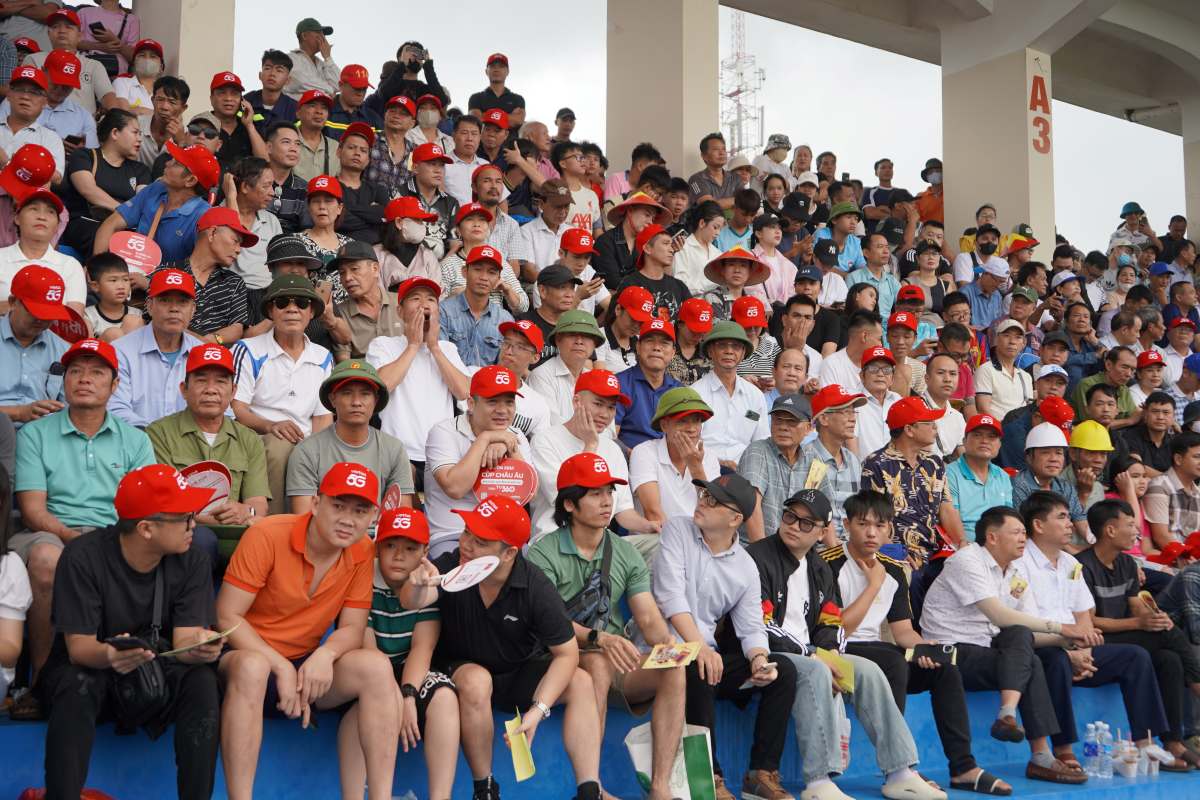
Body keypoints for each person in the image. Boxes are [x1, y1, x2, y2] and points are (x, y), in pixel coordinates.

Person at [401, 495, 606, 800]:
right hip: (461, 669)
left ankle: (589, 791)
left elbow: (567, 653)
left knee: (581, 680)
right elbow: (412, 601)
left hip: (516, 671)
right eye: (467, 532)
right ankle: (484, 788)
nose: (467, 544)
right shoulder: (453, 565)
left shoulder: (536, 587)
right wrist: (417, 584)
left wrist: (539, 709)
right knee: (475, 678)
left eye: (481, 541)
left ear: (509, 552)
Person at [37, 464, 222, 800]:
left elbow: (183, 640)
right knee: (79, 681)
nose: (194, 525)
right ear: (146, 528)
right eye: (184, 517)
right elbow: (79, 648)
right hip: (90, 669)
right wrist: (109, 655)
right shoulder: (83, 556)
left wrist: (200, 646)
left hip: (154, 672)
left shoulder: (192, 559)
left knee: (202, 681)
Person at [217, 462, 400, 800]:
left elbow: (352, 628)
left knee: (376, 666)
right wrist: (280, 665)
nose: (348, 519)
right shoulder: (268, 534)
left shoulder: (362, 550)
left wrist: (325, 654)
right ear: (316, 504)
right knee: (253, 667)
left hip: (305, 666)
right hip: (247, 657)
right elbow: (227, 617)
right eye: (338, 506)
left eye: (360, 511)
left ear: (373, 516)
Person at [824, 489, 1009, 795]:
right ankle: (898, 769)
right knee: (893, 660)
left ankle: (963, 766)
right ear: (847, 524)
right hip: (837, 651)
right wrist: (873, 585)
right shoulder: (827, 563)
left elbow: (903, 633)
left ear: (890, 529)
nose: (871, 532)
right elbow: (837, 629)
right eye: (862, 524)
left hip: (878, 652)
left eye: (880, 525)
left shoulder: (894, 569)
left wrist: (924, 649)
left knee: (944, 669)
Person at [528, 453, 687, 800]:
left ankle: (660, 786)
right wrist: (599, 638)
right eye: (595, 493)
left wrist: (677, 647)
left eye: (609, 492)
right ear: (569, 504)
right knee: (597, 662)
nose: (606, 501)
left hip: (618, 660)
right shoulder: (544, 552)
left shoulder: (626, 553)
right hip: (558, 660)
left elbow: (647, 618)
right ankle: (594, 786)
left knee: (675, 664)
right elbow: (548, 622)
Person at [13, 337, 155, 685]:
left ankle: (122, 673)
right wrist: (74, 538)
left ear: (115, 384)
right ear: (64, 381)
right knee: (47, 559)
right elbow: (33, 510)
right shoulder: (35, 433)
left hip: (113, 532)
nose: (84, 379)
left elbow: (144, 509)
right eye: (75, 371)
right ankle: (42, 678)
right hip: (51, 531)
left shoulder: (135, 439)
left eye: (96, 373)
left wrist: (104, 540)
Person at [1017, 491, 1191, 770]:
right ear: (1038, 525)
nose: (1070, 524)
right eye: (1061, 517)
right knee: (1057, 660)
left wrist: (1084, 649)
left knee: (1135, 656)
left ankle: (1145, 744)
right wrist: (1071, 650)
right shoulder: (1020, 562)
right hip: (1043, 645)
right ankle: (1063, 748)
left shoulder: (1070, 563)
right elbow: (1020, 621)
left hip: (1076, 645)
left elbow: (1083, 613)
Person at [919, 506, 1091, 785]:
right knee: (1029, 656)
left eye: (1025, 533)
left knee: (1022, 641)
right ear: (992, 537)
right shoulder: (967, 560)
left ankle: (1009, 717)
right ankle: (1037, 753)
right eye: (1016, 533)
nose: (1023, 538)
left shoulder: (1014, 573)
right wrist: (1062, 628)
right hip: (951, 650)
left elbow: (1029, 629)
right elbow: (1000, 616)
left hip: (988, 651)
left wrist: (1070, 640)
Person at [652, 474, 797, 800]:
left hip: (704, 654)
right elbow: (668, 597)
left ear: (735, 519)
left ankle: (761, 774)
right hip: (660, 649)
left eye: (714, 500)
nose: (703, 501)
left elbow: (751, 626)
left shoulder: (745, 564)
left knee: (783, 671)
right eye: (704, 494)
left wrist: (760, 660)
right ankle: (707, 777)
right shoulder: (677, 529)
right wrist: (699, 648)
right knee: (697, 664)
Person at [1077, 498, 1200, 765]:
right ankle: (1198, 684)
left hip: (1125, 635)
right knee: (1167, 638)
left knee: (1170, 658)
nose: (1137, 531)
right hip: (1095, 640)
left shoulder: (1127, 564)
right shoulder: (1081, 567)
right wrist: (1140, 625)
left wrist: (1155, 618)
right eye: (1131, 525)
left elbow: (1135, 607)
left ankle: (1172, 741)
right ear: (1110, 530)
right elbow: (1089, 622)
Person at [231, 274, 333, 514]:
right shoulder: (247, 349)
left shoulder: (322, 356)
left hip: (307, 439)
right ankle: (272, 527)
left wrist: (315, 448)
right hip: (258, 437)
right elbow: (236, 408)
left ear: (311, 313)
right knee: (279, 448)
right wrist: (270, 426)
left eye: (301, 303)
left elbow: (322, 417)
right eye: (282, 303)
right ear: (270, 311)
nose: (292, 309)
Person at [145, 341, 268, 532]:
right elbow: (163, 501)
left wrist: (246, 511)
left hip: (235, 535)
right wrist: (207, 518)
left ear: (233, 391)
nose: (211, 389)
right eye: (201, 380)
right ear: (184, 389)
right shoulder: (159, 433)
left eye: (220, 381)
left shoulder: (249, 439)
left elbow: (258, 502)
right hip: (181, 534)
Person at [529, 369, 657, 542]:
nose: (605, 414)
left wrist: (649, 526)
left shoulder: (612, 449)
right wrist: (590, 445)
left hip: (601, 542)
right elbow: (568, 502)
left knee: (661, 542)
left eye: (611, 407)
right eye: (598, 404)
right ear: (577, 402)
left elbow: (622, 511)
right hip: (555, 538)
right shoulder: (545, 440)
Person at [366, 276, 468, 488]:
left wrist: (435, 348)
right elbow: (380, 387)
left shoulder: (447, 349)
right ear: (400, 312)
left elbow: (465, 392)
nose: (424, 304)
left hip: (443, 454)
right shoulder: (383, 345)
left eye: (430, 299)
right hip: (399, 453)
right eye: (415, 298)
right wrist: (413, 345)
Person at [424, 364, 532, 556]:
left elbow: (529, 493)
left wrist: (510, 447)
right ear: (471, 404)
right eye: (493, 402)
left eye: (509, 402)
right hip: (452, 536)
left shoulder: (516, 436)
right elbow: (455, 488)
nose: (502, 410)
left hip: (501, 539)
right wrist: (485, 439)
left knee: (529, 567)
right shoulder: (443, 431)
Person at [286, 359, 411, 514]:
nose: (356, 402)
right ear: (333, 399)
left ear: (376, 400)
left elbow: (401, 515)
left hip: (378, 537)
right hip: (325, 535)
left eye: (365, 394)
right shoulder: (307, 451)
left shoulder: (394, 448)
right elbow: (304, 518)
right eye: (347, 393)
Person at [862, 396, 963, 564]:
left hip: (936, 552)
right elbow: (872, 517)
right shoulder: (876, 464)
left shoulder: (934, 462)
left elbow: (947, 509)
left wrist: (962, 544)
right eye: (928, 422)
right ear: (909, 430)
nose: (935, 427)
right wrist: (893, 551)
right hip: (896, 554)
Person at [95, 140, 217, 264]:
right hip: (130, 271)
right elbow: (111, 224)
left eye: (175, 163)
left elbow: (198, 267)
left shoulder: (204, 216)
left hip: (168, 280)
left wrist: (147, 281)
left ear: (190, 180)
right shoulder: (157, 188)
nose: (167, 163)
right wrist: (97, 269)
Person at [107, 268, 200, 427]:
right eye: (165, 300)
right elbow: (116, 409)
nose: (174, 308)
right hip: (136, 444)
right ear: (149, 306)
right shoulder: (120, 351)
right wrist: (160, 439)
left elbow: (221, 412)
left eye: (183, 302)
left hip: (192, 447)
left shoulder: (202, 353)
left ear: (193, 310)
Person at [60, 106, 148, 253]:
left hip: (123, 228)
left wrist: (122, 217)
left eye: (140, 134)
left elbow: (142, 202)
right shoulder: (85, 156)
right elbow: (89, 190)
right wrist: (124, 212)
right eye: (135, 132)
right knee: (108, 237)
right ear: (114, 133)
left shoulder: (140, 169)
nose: (140, 139)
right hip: (87, 223)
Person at [628, 387, 718, 525]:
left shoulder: (710, 456)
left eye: (697, 421)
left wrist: (696, 469)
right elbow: (653, 514)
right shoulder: (643, 452)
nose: (692, 429)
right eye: (682, 421)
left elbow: (713, 511)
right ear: (664, 426)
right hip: (658, 539)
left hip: (701, 538)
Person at [692, 320, 770, 470]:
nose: (729, 351)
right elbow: (690, 443)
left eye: (735, 346)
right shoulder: (695, 393)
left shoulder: (755, 395)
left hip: (746, 472)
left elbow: (761, 443)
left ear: (743, 354)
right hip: (704, 469)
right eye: (722, 345)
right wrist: (717, 463)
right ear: (710, 351)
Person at [0, 265, 71, 427]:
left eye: (49, 315)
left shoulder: (62, 349)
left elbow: (69, 408)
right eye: (35, 312)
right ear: (13, 302)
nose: (41, 320)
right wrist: (18, 413)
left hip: (43, 435)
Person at [0, 187, 84, 318]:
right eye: (33, 209)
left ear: (57, 225)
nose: (41, 217)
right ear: (17, 218)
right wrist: (49, 308)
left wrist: (12, 306)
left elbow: (73, 318)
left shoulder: (70, 265)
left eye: (50, 212)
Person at [739, 394, 813, 541]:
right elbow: (752, 506)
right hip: (756, 548)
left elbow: (821, 509)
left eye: (792, 422)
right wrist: (764, 555)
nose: (783, 427)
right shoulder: (758, 451)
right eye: (778, 420)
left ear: (808, 428)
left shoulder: (814, 459)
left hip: (797, 550)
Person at [1011, 422, 1093, 550]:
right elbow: (1029, 532)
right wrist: (1073, 551)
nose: (1053, 459)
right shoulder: (1019, 485)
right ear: (1029, 457)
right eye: (1045, 452)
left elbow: (1080, 520)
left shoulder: (1065, 487)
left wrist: (1098, 543)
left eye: (1059, 453)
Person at [25, 8, 115, 114]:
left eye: (68, 27)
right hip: (42, 122)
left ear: (79, 36)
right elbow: (26, 94)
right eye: (55, 27)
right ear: (49, 34)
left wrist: (114, 114)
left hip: (83, 126)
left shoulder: (93, 65)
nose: (62, 31)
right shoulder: (33, 59)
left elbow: (108, 96)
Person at [326, 240, 403, 360]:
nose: (347, 278)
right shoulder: (340, 315)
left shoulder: (401, 303)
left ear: (375, 269)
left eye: (354, 269)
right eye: (342, 273)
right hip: (363, 377)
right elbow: (345, 365)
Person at [438, 244, 512, 368]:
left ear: (498, 278)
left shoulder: (505, 319)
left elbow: (505, 365)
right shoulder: (443, 311)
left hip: (489, 385)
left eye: (491, 272)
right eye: (478, 269)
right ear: (464, 272)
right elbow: (440, 358)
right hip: (449, 383)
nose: (484, 277)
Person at [527, 310, 606, 422]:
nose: (579, 341)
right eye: (572, 334)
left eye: (587, 336)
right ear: (558, 340)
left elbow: (607, 427)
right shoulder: (542, 375)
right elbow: (551, 424)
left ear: (595, 344)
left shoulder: (596, 380)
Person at [615, 317, 681, 450]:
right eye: (650, 341)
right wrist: (632, 454)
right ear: (638, 347)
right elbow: (610, 436)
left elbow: (687, 436)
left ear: (673, 352)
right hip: (629, 460)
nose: (656, 348)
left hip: (670, 463)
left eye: (664, 343)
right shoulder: (618, 383)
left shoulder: (679, 391)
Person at [947, 414, 1013, 535]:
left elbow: (1008, 517)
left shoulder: (1003, 476)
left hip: (1000, 544)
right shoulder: (950, 473)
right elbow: (950, 516)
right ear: (964, 441)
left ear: (999, 445)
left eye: (992, 437)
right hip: (966, 544)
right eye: (977, 435)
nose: (984, 441)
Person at [592, 190, 670, 290]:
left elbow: (658, 278)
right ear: (630, 211)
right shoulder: (605, 242)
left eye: (653, 218)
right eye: (647, 215)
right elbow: (612, 282)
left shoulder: (647, 246)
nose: (650, 222)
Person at [0, 65, 65, 182]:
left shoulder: (50, 138)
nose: (25, 96)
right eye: (19, 90)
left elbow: (56, 178)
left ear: (45, 101)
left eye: (34, 92)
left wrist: (8, 163)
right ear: (8, 95)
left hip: (22, 198)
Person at [615, 223, 691, 320]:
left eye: (671, 245)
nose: (672, 249)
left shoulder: (679, 286)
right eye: (665, 243)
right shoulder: (630, 284)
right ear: (647, 248)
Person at [1144, 431, 1200, 550]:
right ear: (1178, 459)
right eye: (1197, 457)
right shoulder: (1159, 487)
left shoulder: (1198, 493)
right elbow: (1161, 536)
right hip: (1168, 562)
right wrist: (1188, 558)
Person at [975, 319, 1034, 421]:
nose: (1012, 341)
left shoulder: (1026, 377)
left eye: (1018, 337)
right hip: (996, 432)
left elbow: (1029, 410)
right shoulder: (985, 370)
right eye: (1006, 335)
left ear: (1023, 343)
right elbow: (983, 409)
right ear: (997, 339)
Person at [1070, 345, 1138, 429]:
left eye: (1132, 370)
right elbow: (1093, 425)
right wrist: (1129, 421)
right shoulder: (1087, 384)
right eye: (1124, 367)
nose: (1129, 374)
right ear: (1108, 365)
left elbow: (1135, 415)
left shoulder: (1124, 389)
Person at [855, 345, 902, 458]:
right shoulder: (853, 401)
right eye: (873, 369)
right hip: (864, 471)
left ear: (892, 378)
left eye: (886, 370)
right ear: (862, 376)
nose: (880, 374)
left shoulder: (898, 401)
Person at [818, 309, 883, 391]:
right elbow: (828, 401)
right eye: (879, 339)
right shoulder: (831, 364)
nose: (880, 345)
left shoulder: (880, 367)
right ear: (864, 336)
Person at [671, 200, 725, 296]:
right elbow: (680, 285)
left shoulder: (718, 254)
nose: (718, 233)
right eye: (715, 227)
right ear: (702, 223)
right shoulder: (683, 247)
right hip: (689, 307)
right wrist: (713, 283)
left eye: (720, 229)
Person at [365, 95, 414, 199]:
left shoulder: (415, 152)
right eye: (392, 111)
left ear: (412, 123)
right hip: (369, 208)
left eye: (403, 114)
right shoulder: (369, 141)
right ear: (385, 115)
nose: (396, 116)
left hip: (402, 212)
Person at [1116, 390, 1175, 476]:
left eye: (1166, 412)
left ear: (1174, 416)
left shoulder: (1175, 439)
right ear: (1145, 414)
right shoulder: (1130, 436)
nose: (1160, 417)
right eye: (1155, 411)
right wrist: (1173, 480)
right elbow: (1138, 468)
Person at [847, 231, 900, 318]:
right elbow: (850, 308)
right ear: (866, 253)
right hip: (862, 322)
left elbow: (903, 306)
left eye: (887, 247)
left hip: (887, 327)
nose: (886, 251)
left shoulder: (892, 281)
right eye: (880, 247)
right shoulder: (853, 277)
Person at [923, 352, 967, 459]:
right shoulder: (915, 410)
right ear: (926, 378)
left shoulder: (957, 417)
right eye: (940, 373)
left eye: (953, 374)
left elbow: (963, 456)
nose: (947, 379)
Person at [285, 17, 339, 98]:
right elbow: (301, 83)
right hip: (296, 109)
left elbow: (339, 85)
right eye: (319, 33)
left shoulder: (323, 63)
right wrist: (330, 91)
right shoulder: (290, 59)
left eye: (323, 34)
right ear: (304, 36)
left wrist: (328, 58)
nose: (323, 37)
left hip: (322, 109)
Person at [468, 52, 525, 126]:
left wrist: (485, 115)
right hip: (483, 138)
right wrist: (508, 116)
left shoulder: (517, 99)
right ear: (486, 71)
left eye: (501, 66)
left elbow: (518, 120)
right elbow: (475, 120)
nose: (496, 69)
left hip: (511, 138)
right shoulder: (476, 98)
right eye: (492, 66)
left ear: (507, 71)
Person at [667, 297, 714, 385]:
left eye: (702, 332)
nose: (698, 336)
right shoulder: (664, 348)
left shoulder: (710, 352)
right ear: (680, 324)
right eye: (693, 331)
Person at [292, 90, 334, 182]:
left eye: (324, 108)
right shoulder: (286, 144)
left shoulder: (336, 148)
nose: (319, 112)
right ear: (298, 113)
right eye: (312, 106)